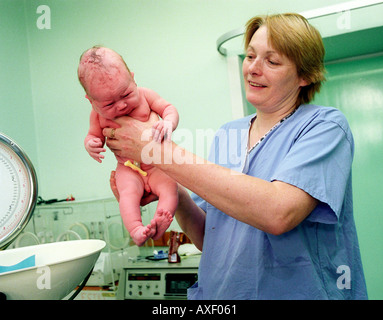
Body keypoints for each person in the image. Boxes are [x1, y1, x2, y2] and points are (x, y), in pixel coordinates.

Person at [104, 13, 368, 299]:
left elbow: (278, 212)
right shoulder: (228, 134)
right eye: (250, 55)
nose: (253, 68)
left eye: (272, 61)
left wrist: (154, 150)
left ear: (305, 75)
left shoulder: (325, 127)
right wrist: (172, 190)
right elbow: (210, 236)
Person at [78, 46, 179, 246]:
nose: (122, 106)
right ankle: (136, 229)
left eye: (126, 94)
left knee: (170, 186)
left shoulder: (145, 95)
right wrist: (91, 144)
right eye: (108, 104)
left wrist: (168, 122)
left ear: (133, 79)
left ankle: (162, 217)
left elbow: (168, 108)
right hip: (128, 168)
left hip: (156, 164)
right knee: (127, 194)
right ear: (91, 101)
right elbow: (92, 135)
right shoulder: (97, 116)